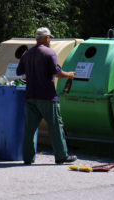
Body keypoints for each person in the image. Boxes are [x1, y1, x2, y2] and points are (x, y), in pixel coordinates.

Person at [16, 27, 77, 165]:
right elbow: (57, 73)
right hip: (47, 97)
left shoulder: (27, 54)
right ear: (47, 38)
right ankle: (61, 156)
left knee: (30, 129)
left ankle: (27, 157)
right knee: (55, 126)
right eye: (50, 37)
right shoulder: (50, 53)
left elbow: (20, 71)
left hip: (30, 96)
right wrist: (69, 75)